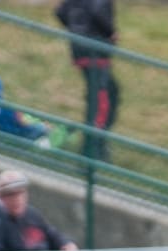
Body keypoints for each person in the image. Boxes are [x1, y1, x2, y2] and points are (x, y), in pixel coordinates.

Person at [55, 0, 120, 161]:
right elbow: (98, 11)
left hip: (80, 48)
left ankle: (94, 145)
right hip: (95, 51)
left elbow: (61, 11)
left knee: (104, 95)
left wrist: (75, 29)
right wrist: (110, 32)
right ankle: (93, 149)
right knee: (102, 100)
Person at [0, 169, 78, 251]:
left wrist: (66, 244)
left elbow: (52, 234)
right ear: (0, 197)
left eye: (21, 192)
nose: (17, 199)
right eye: (10, 194)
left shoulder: (32, 214)